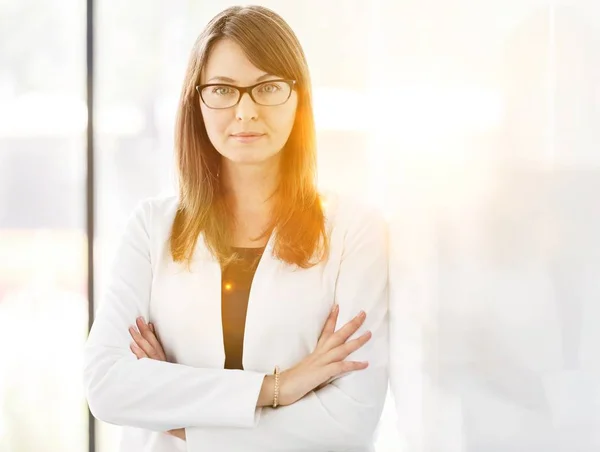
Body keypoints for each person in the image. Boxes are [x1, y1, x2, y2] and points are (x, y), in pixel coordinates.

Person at [83, 5, 389, 452]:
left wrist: (178, 415)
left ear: (298, 97)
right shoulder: (152, 228)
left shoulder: (354, 231)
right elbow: (106, 385)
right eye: (223, 89)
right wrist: (277, 389)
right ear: (197, 101)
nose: (245, 112)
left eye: (267, 88)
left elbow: (348, 421)